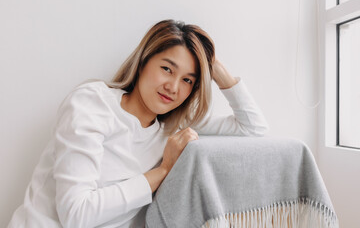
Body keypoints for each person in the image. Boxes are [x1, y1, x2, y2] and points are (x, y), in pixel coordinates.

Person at [8, 19, 269, 228]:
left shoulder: (173, 126)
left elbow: (254, 130)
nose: (173, 87)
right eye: (167, 69)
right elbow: (76, 216)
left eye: (188, 80)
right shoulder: (92, 103)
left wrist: (215, 68)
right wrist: (163, 170)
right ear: (144, 61)